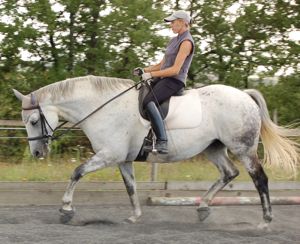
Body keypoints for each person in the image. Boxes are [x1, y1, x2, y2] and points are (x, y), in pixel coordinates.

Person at [134, 10, 195, 154]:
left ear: (182, 22)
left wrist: (151, 74)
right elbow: (163, 64)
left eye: (173, 22)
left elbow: (175, 70)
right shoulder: (174, 40)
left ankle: (162, 141)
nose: (171, 25)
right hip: (164, 78)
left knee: (149, 101)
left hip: (174, 81)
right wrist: (144, 70)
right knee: (141, 93)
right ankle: (147, 136)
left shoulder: (186, 42)